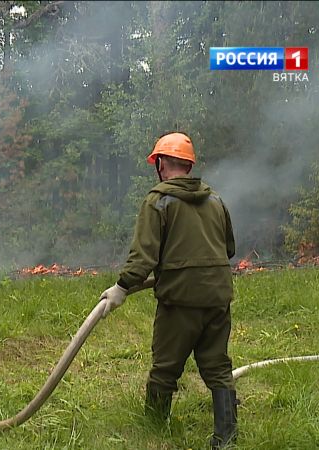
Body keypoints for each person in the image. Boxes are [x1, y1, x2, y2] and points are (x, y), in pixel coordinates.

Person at [99, 132, 237, 449]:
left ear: (160, 164)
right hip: (218, 297)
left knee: (165, 370)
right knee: (217, 367)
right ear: (189, 165)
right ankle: (227, 438)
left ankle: (154, 430)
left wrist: (122, 287)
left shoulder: (158, 201)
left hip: (180, 300)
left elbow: (143, 255)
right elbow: (228, 249)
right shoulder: (215, 200)